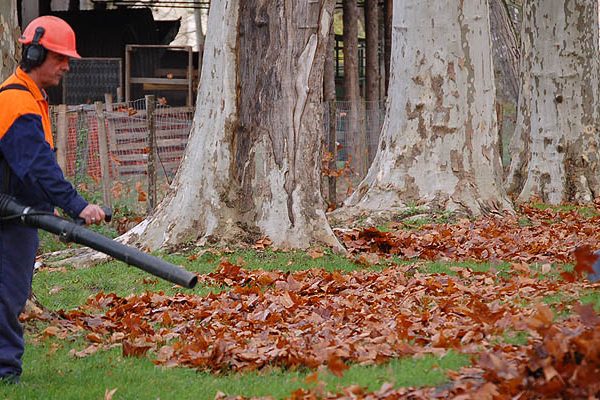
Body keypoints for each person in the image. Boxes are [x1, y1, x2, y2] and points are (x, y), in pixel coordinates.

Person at [0, 15, 105, 384]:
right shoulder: (17, 103)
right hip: (9, 219)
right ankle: (5, 374)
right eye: (59, 58)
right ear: (33, 53)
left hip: (20, 215)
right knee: (7, 297)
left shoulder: (31, 98)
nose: (65, 66)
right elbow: (38, 168)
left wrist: (57, 208)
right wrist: (77, 205)